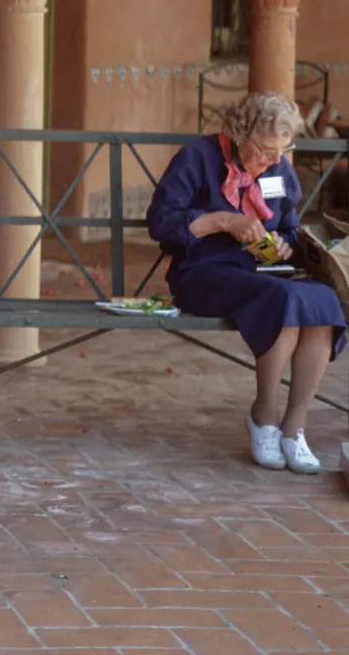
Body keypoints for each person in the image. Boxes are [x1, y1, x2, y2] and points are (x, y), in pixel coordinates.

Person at [147, 92, 344, 473]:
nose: (274, 160)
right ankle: (264, 416)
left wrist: (287, 245)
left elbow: (288, 226)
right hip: (203, 271)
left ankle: (294, 428)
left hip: (263, 271)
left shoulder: (278, 170)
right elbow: (163, 223)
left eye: (282, 151)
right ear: (240, 133)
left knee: (322, 299)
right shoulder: (198, 157)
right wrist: (223, 220)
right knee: (282, 299)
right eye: (267, 150)